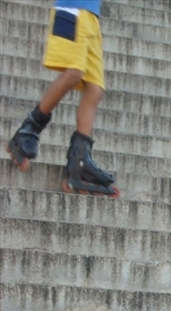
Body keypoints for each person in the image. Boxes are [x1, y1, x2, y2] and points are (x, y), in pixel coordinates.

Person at [6, 1, 118, 197]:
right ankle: (28, 131)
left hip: (92, 18)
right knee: (74, 72)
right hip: (72, 9)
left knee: (95, 88)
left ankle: (80, 161)